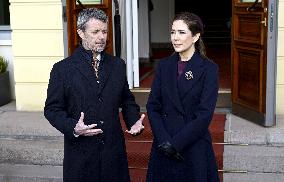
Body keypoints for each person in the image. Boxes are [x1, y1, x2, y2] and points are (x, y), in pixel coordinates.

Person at [44, 8, 145, 182]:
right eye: (95, 32)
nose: (101, 37)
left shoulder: (117, 65)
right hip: (81, 155)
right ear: (81, 33)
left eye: (104, 31)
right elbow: (52, 109)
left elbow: (126, 99)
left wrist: (133, 120)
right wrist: (73, 127)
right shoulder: (62, 69)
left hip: (113, 153)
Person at [146, 12, 220, 182]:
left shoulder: (209, 69)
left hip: (192, 145)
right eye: (173, 32)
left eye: (181, 32)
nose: (175, 38)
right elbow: (153, 106)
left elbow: (204, 115)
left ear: (195, 37)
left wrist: (175, 144)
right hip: (163, 144)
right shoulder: (164, 66)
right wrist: (163, 140)